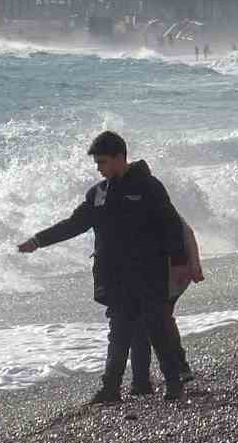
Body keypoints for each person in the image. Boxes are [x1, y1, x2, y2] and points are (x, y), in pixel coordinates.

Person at [17, 131, 190, 404]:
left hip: (149, 273)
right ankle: (110, 389)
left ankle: (173, 383)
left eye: (103, 162)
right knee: (119, 333)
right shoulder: (98, 194)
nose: (99, 168)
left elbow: (172, 227)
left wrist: (181, 264)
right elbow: (74, 224)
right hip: (115, 278)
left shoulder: (149, 187)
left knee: (157, 328)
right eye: (97, 163)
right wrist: (38, 240)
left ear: (121, 158)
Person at [128, 216, 203, 395]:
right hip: (153, 274)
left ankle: (175, 369)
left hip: (172, 272)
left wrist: (194, 265)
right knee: (156, 319)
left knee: (159, 319)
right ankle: (164, 372)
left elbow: (187, 233)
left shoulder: (157, 206)